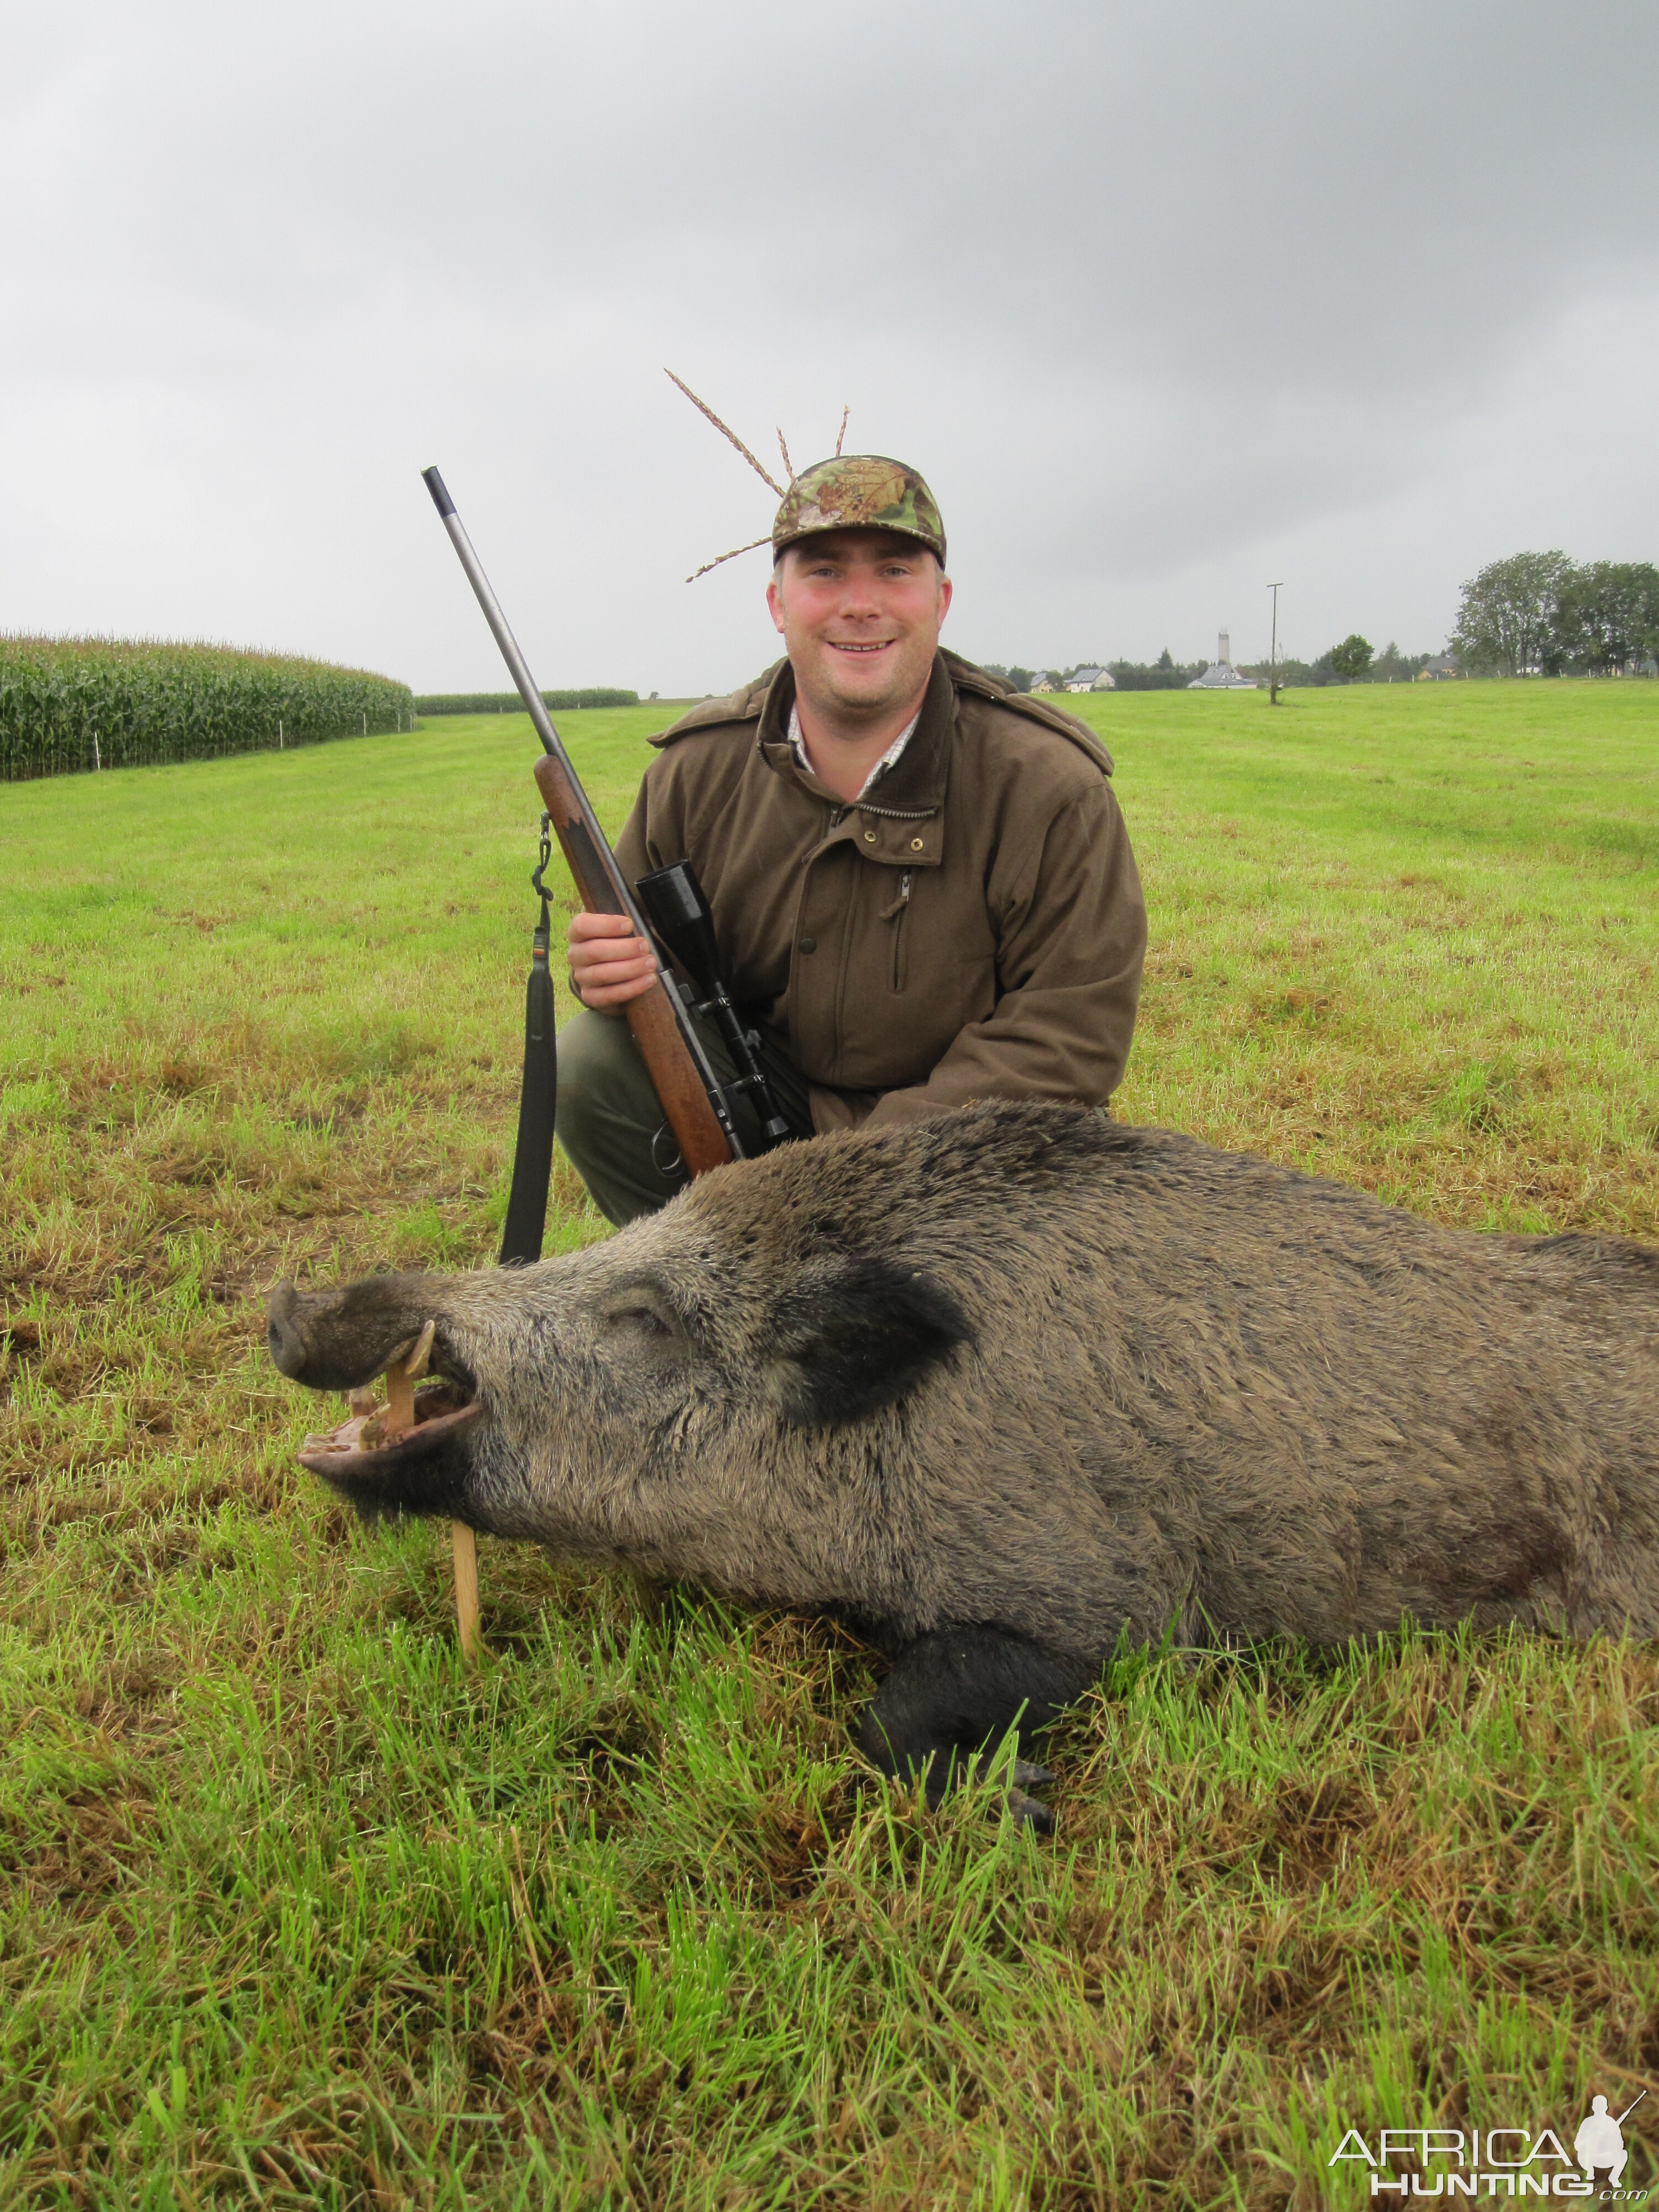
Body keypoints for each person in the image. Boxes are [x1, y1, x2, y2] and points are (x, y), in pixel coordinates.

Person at [554, 453, 1146, 1225]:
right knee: (590, 1064)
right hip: (772, 1110)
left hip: (978, 1151)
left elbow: (1072, 1033)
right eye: (825, 573)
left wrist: (852, 1178)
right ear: (778, 602)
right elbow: (655, 979)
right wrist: (603, 971)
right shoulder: (695, 771)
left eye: (895, 571)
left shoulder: (1049, 785)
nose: (859, 605)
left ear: (942, 599)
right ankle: (700, 1320)